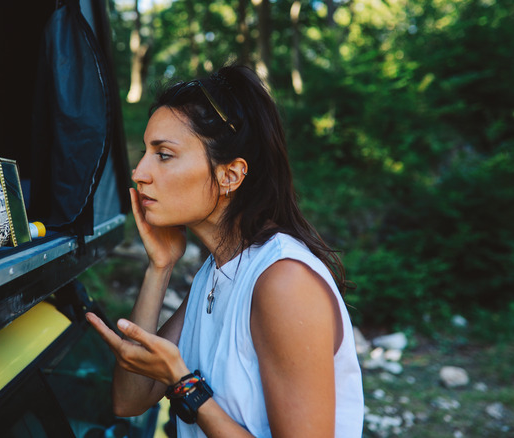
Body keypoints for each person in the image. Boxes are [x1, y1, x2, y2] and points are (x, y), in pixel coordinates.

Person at [86, 64, 363, 437]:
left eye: (164, 155)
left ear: (230, 175)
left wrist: (184, 384)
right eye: (145, 153)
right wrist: (160, 266)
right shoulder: (214, 274)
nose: (139, 172)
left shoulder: (283, 282)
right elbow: (130, 399)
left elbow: (167, 384)